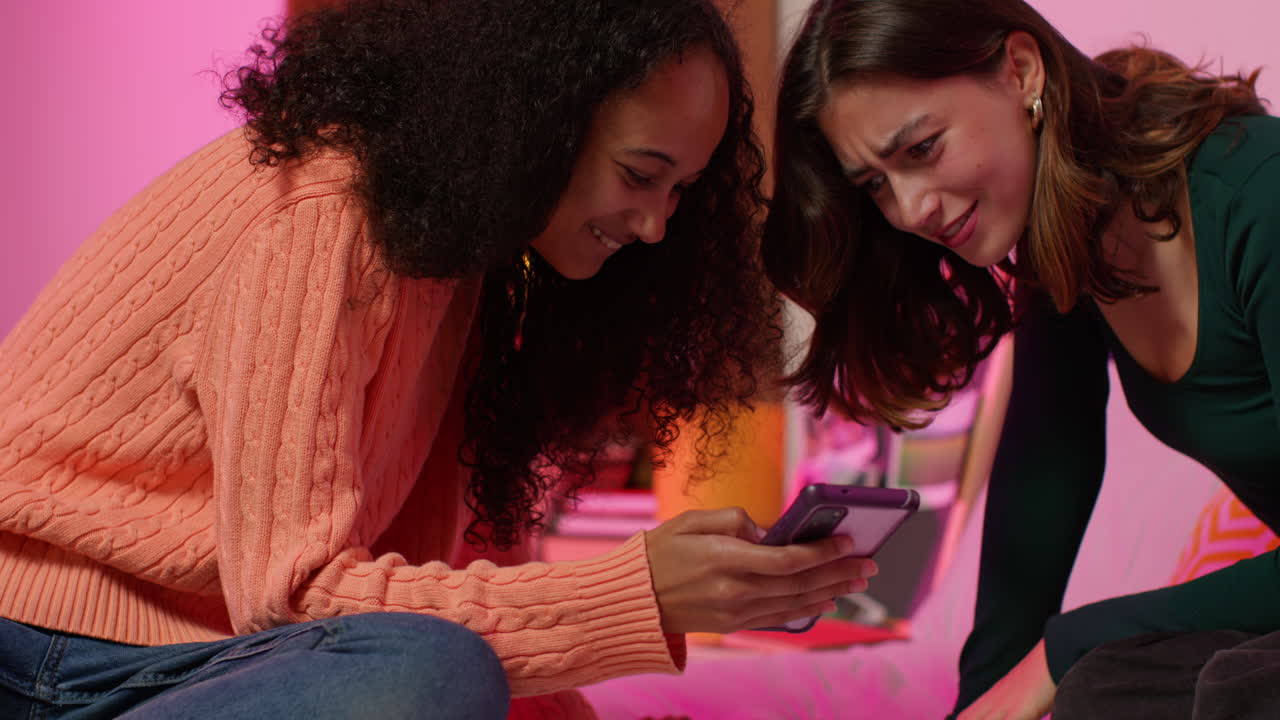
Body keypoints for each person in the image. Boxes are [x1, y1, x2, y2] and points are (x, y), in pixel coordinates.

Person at [0, 1, 881, 718]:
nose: (656, 225)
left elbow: (419, 594)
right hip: (47, 657)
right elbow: (296, 599)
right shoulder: (322, 212)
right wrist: (639, 594)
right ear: (540, 119)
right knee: (430, 672)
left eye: (680, 190)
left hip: (193, 666)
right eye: (639, 174)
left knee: (439, 668)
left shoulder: (458, 258)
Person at [763, 0, 1279, 718]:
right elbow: (1041, 486)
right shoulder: (1068, 239)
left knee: (1154, 684)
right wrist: (981, 704)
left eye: (921, 149)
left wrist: (1061, 651)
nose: (910, 210)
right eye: (876, 185)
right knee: (1113, 690)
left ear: (1020, 71)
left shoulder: (1261, 197)